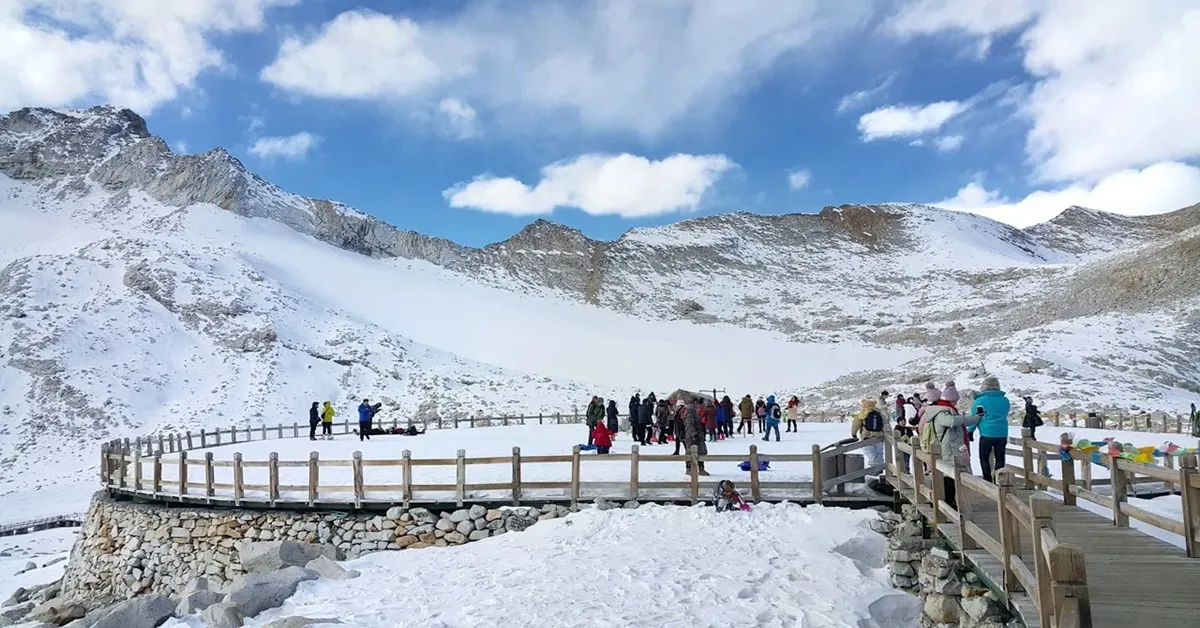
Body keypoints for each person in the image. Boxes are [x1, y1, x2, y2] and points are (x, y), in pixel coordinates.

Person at [929, 403, 982, 508]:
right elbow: (952, 422)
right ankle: (945, 501)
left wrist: (976, 417)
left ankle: (948, 501)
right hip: (947, 449)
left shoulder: (945, 414)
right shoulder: (942, 415)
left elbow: (961, 421)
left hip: (952, 449)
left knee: (949, 476)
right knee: (947, 476)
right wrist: (962, 418)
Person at [972, 377, 1012, 483]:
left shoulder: (980, 401)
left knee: (984, 457)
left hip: (987, 433)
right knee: (1000, 457)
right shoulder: (1005, 400)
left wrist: (970, 430)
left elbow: (976, 416)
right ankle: (1000, 479)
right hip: (1002, 433)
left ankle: (987, 479)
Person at [850, 399, 885, 466]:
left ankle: (873, 469)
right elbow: (884, 424)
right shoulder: (878, 412)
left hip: (866, 436)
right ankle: (880, 467)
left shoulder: (862, 414)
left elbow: (855, 425)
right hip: (879, 436)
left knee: (870, 453)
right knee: (879, 453)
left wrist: (854, 434)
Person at [682, 400, 709, 475]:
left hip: (698, 435)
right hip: (692, 436)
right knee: (690, 452)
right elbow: (689, 424)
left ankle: (700, 468)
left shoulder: (694, 411)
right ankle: (689, 468)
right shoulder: (690, 412)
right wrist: (694, 434)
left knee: (701, 452)